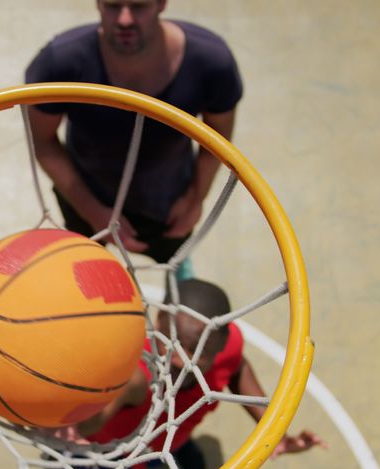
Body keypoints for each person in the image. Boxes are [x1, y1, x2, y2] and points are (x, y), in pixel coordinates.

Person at [40, 278, 326, 469]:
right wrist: (72, 419)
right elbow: (93, 423)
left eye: (197, 351)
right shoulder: (133, 373)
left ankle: (176, 448)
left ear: (220, 347)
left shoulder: (226, 346)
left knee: (171, 440)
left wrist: (273, 431)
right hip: (111, 452)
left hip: (169, 432)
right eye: (173, 342)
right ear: (158, 321)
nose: (181, 360)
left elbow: (238, 368)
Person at [25, 0, 243, 279]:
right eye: (113, 5)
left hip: (169, 201)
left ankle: (177, 265)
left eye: (139, 6)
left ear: (161, 4)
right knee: (83, 272)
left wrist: (195, 197)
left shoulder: (211, 63)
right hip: (85, 193)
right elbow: (43, 144)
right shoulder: (60, 63)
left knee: (175, 263)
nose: (125, 19)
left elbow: (218, 141)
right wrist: (92, 209)